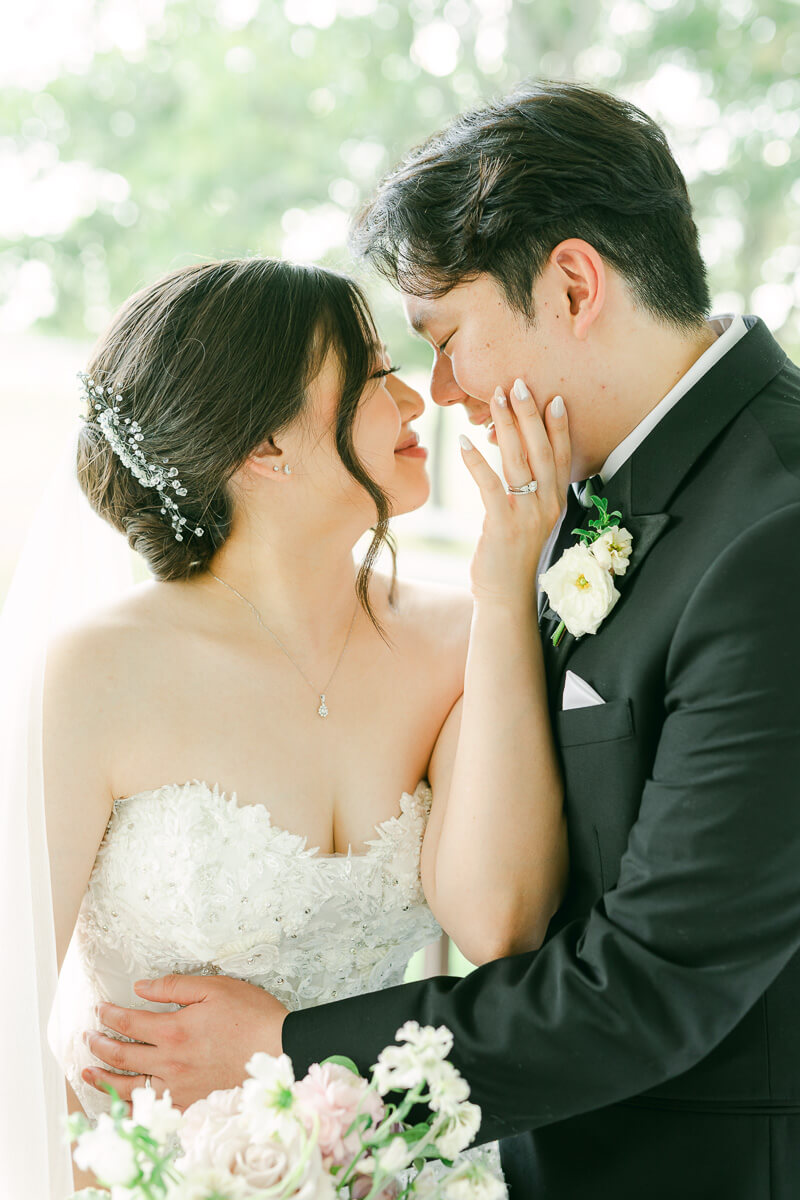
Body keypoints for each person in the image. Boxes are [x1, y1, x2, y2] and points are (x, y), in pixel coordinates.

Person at [87, 82, 800, 1199]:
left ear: (571, 284)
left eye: (447, 338)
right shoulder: (585, 506)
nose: (445, 393)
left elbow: (654, 978)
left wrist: (286, 1048)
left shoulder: (773, 533)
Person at [0, 254, 572, 1195]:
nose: (415, 399)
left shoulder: (463, 638)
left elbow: (498, 920)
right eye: (374, 376)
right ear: (266, 445)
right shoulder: (98, 672)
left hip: (401, 1171)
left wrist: (507, 589)